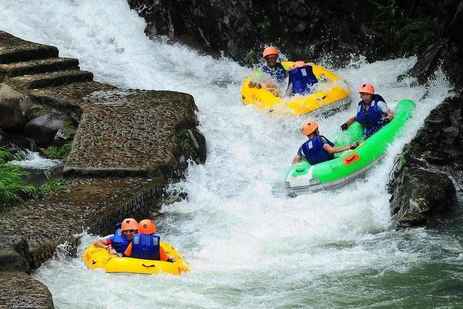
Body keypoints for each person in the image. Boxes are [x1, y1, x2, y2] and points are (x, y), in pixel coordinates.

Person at [292, 121, 359, 165]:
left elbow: (295, 161)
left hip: (317, 169)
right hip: (331, 164)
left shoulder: (302, 147)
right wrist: (350, 146)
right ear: (315, 131)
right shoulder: (320, 139)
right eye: (317, 129)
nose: (318, 131)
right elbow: (331, 150)